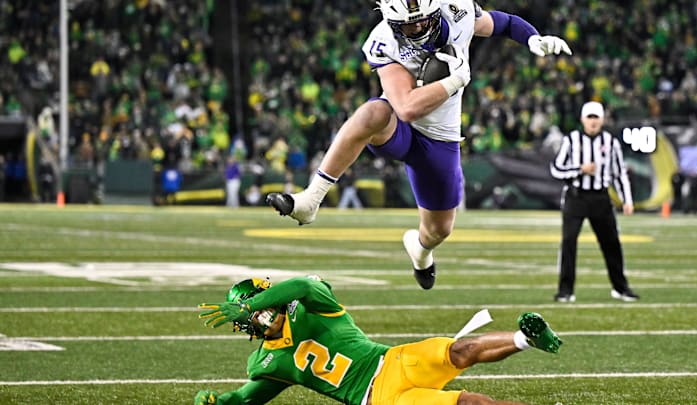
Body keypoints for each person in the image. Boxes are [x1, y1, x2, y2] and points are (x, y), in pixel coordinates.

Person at [267, 0, 572, 290]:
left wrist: (533, 39)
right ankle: (311, 199)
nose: (415, 31)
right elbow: (407, 108)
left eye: (421, 22)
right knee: (373, 112)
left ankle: (421, 252)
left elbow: (502, 23)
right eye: (406, 26)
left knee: (438, 230)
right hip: (399, 129)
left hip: (440, 139)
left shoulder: (458, 10)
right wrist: (454, 81)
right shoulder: (383, 40)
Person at [195, 275, 562, 405]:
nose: (263, 312)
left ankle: (526, 338)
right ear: (245, 327)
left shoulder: (310, 306)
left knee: (459, 350)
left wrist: (253, 303)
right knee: (470, 404)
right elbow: (244, 400)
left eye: (263, 303)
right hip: (380, 398)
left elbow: (305, 285)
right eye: (254, 312)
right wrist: (214, 401)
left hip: (392, 359)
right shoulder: (266, 362)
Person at [549, 101, 639, 303]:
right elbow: (556, 169)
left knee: (611, 244)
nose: (592, 121)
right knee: (569, 242)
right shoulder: (571, 140)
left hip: (600, 197)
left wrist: (627, 200)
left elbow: (619, 173)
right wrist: (580, 169)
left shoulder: (611, 141)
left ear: (602, 120)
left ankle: (620, 287)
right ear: (582, 119)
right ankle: (565, 290)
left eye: (596, 117)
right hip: (576, 196)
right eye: (589, 117)